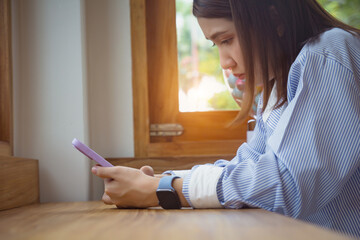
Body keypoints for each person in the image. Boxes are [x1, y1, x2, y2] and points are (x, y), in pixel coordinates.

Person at [91, 0, 360, 237]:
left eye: (227, 40)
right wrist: (160, 180)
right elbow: (249, 164)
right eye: (216, 44)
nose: (223, 62)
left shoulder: (328, 53)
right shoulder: (280, 86)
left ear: (275, 19)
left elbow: (285, 185)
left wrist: (162, 189)